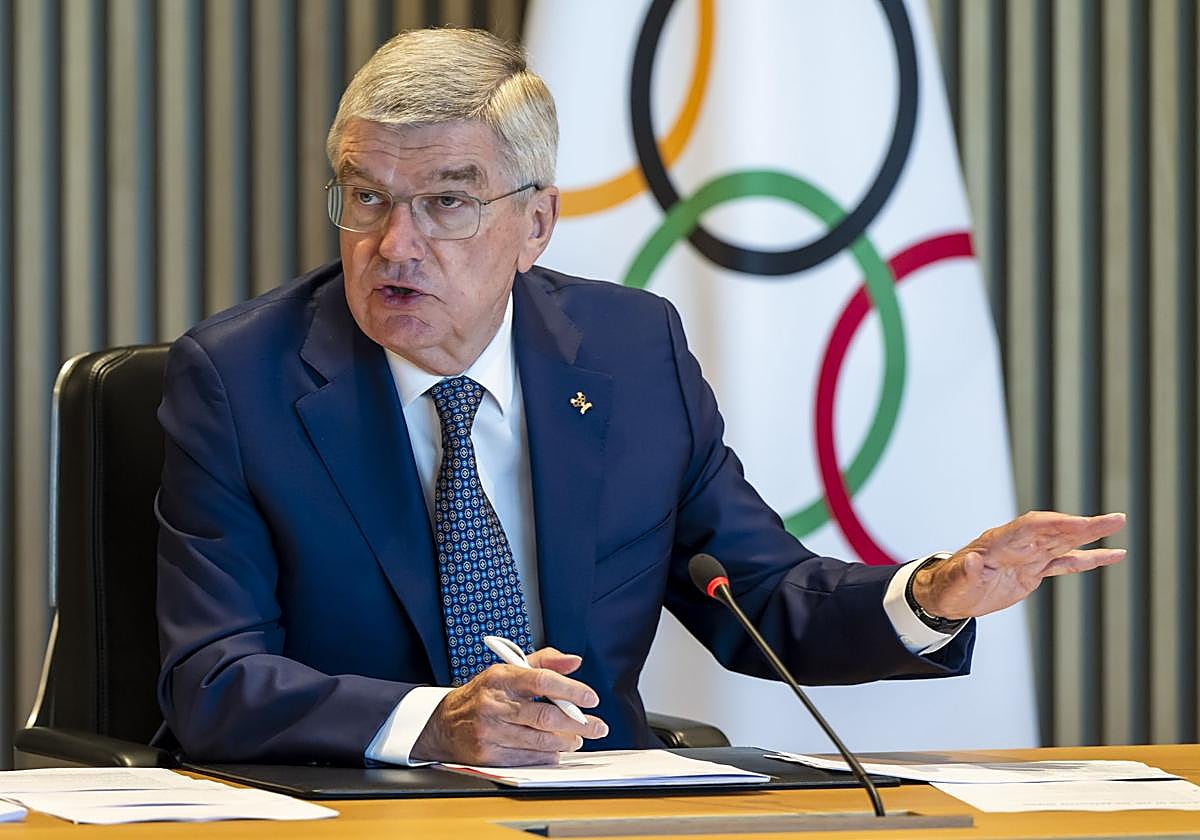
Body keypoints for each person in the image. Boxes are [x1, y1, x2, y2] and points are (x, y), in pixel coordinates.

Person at [155, 27, 1125, 768]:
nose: (394, 245)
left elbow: (762, 598)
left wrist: (929, 594)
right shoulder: (241, 381)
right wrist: (431, 725)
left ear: (536, 222)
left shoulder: (630, 353)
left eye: (446, 201)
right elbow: (212, 679)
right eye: (366, 198)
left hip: (598, 814)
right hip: (357, 817)